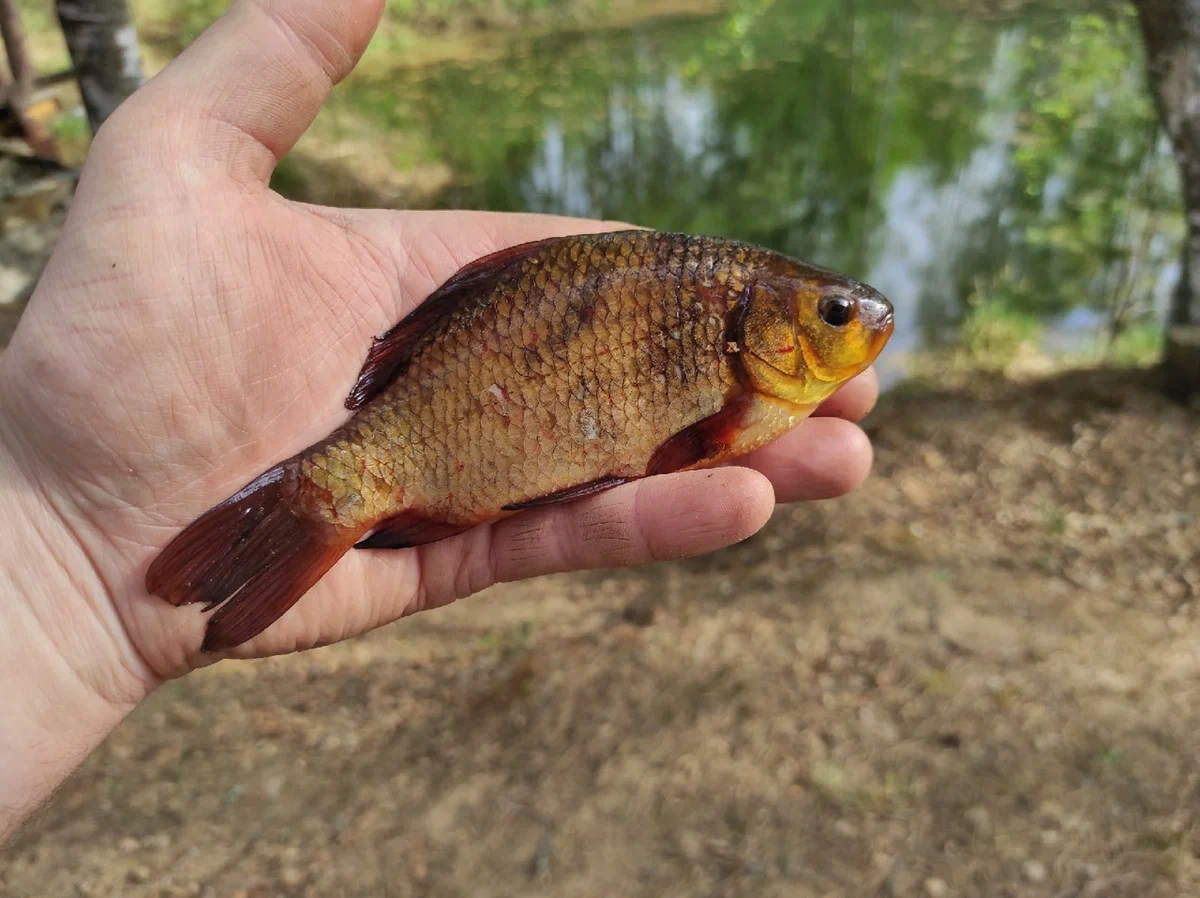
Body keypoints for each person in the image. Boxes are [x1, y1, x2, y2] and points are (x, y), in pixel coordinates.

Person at [0, 0, 880, 843]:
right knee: (362, 477)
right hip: (452, 418)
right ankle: (327, 501)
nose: (861, 324)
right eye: (832, 314)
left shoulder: (747, 375)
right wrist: (54, 556)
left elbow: (687, 447)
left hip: (493, 422)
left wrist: (59, 594)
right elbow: (697, 445)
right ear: (761, 326)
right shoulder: (746, 381)